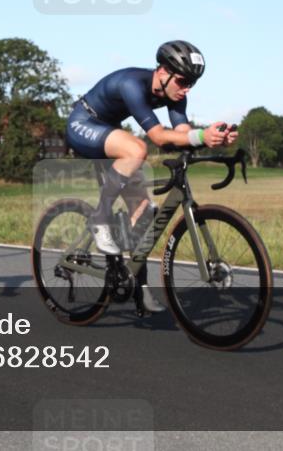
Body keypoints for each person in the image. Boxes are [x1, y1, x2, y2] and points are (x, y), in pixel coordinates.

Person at [65, 40, 238, 312]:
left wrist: (214, 138)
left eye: (191, 83)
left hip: (110, 130)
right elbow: (157, 136)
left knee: (143, 212)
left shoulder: (176, 94)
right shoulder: (132, 84)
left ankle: (138, 287)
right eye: (182, 81)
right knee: (137, 148)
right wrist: (202, 135)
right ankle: (100, 217)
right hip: (83, 124)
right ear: (162, 71)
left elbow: (180, 137)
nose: (186, 89)